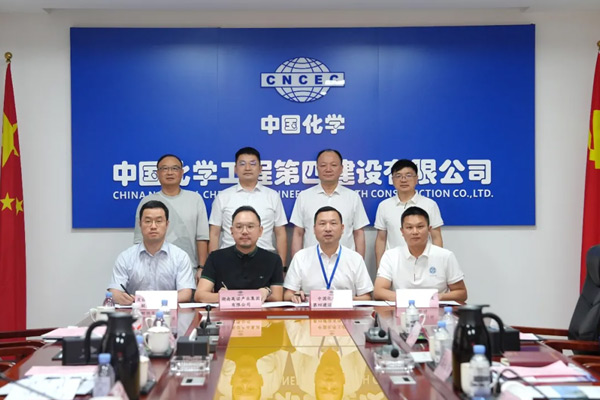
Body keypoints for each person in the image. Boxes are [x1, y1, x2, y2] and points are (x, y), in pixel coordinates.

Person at [133, 154, 209, 281]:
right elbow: (139, 240)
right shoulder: (147, 201)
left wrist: (202, 267)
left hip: (189, 270)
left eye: (174, 168)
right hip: (153, 270)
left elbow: (202, 237)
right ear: (157, 173)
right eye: (164, 168)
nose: (169, 172)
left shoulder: (195, 199)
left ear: (182, 172)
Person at [208, 147, 288, 264]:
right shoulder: (223, 197)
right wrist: (213, 264)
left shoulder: (272, 196)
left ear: (260, 169)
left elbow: (280, 233)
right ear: (235, 169)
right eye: (242, 164)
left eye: (253, 164)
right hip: (228, 260)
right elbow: (214, 233)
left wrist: (282, 266)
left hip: (265, 260)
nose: (247, 168)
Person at [109, 200, 195, 305]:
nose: (153, 226)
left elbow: (185, 294)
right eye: (148, 221)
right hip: (135, 312)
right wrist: (120, 297)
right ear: (140, 224)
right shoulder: (125, 257)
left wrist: (149, 301)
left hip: (169, 312)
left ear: (167, 224)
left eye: (159, 221)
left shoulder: (180, 256)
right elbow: (114, 291)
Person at [374, 206, 467, 302]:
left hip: (436, 308)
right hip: (402, 310)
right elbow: (378, 291)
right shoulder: (390, 256)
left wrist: (438, 297)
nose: (415, 232)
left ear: (429, 229)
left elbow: (461, 293)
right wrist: (414, 298)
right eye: (409, 227)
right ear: (402, 231)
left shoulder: (445, 256)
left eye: (420, 227)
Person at [284, 206, 373, 303]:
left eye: (333, 223)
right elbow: (288, 294)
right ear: (314, 229)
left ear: (342, 228)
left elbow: (366, 296)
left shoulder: (355, 259)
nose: (328, 229)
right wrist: (295, 296)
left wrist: (341, 300)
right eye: (322, 224)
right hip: (311, 311)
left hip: (345, 311)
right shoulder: (301, 257)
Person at [290, 149, 369, 258]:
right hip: (311, 261)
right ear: (317, 168)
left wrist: (359, 262)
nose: (328, 169)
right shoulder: (304, 197)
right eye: (323, 165)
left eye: (333, 165)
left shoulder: (353, 197)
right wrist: (296, 262)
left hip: (345, 261)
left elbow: (358, 233)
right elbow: (298, 233)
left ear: (341, 169)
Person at [196, 206, 284, 303]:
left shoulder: (273, 260)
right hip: (226, 312)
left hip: (261, 312)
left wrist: (266, 292)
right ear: (231, 231)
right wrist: (223, 296)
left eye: (250, 227)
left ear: (260, 231)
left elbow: (277, 297)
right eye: (239, 227)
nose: (244, 231)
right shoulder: (216, 257)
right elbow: (199, 295)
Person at [374, 159, 444, 268]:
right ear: (392, 180)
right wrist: (380, 267)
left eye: (408, 175)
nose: (403, 180)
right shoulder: (384, 206)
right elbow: (381, 239)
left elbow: (436, 237)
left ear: (416, 179)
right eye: (398, 176)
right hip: (394, 264)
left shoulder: (429, 204)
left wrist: (438, 265)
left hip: (424, 263)